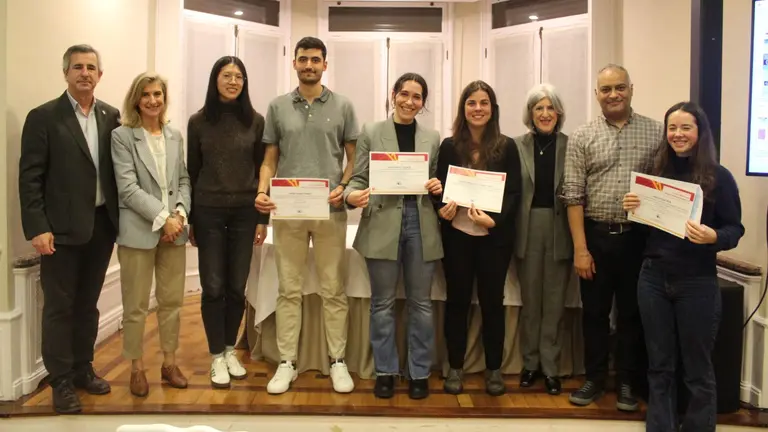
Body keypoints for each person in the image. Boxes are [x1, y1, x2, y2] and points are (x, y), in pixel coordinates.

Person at [623, 102, 744, 432]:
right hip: (653, 279)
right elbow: (646, 230)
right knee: (659, 367)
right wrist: (634, 209)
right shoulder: (655, 173)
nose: (677, 134)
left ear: (700, 132)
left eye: (685, 128)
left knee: (697, 369)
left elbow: (735, 229)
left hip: (697, 282)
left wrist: (712, 236)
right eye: (672, 128)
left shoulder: (719, 177)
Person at [18, 44, 120, 414]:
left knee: (87, 306)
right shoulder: (43, 117)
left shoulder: (111, 116)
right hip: (58, 233)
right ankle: (60, 380)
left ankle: (82, 368)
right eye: (77, 67)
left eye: (91, 67)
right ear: (65, 73)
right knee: (59, 308)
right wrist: (37, 227)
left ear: (99, 74)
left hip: (101, 227)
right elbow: (30, 178)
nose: (84, 73)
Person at [255, 37, 359, 395]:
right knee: (289, 289)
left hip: (329, 209)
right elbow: (270, 159)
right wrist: (262, 192)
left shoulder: (343, 106)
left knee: (333, 289)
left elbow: (354, 157)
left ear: (325, 65)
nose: (309, 65)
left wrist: (343, 186)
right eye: (303, 59)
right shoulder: (278, 106)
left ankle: (338, 361)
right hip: (288, 211)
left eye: (316, 59)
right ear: (295, 64)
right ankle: (287, 362)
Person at [561, 64, 663, 411]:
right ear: (597, 94)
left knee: (633, 314)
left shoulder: (656, 132)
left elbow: (666, 190)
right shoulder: (582, 135)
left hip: (639, 238)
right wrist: (580, 249)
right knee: (594, 313)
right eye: (606, 89)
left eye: (619, 87)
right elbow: (573, 194)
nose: (613, 95)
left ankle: (626, 382)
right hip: (595, 236)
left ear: (631, 89)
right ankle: (594, 378)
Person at [345, 73, 443, 400]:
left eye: (417, 97)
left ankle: (419, 372)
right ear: (393, 95)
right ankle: (385, 371)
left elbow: (436, 183)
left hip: (421, 222)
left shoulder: (433, 137)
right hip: (382, 221)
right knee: (382, 303)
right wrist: (351, 196)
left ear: (423, 103)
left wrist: (437, 186)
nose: (409, 101)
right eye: (404, 94)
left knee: (421, 304)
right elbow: (358, 179)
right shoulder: (372, 132)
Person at [187, 56, 268, 389]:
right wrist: (191, 218)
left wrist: (262, 218)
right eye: (226, 75)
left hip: (245, 213)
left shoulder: (257, 121)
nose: (233, 81)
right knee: (213, 286)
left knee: (237, 286)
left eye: (239, 76)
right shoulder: (198, 122)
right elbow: (191, 172)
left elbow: (264, 170)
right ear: (214, 79)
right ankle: (215, 356)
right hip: (208, 211)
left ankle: (230, 349)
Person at [438, 80, 522, 396]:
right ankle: (455, 368)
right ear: (463, 109)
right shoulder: (448, 146)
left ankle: (494, 370)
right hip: (457, 237)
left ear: (492, 109)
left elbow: (514, 193)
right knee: (457, 302)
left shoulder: (506, 146)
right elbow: (439, 189)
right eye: (471, 103)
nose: (477, 108)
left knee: (492, 304)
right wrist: (441, 209)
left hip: (492, 239)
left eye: (483, 103)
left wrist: (495, 220)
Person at [111, 72, 191, 397]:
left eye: (158, 94)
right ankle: (136, 367)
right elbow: (127, 188)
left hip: (175, 233)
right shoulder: (122, 136)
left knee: (171, 302)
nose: (153, 100)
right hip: (139, 232)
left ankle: (169, 363)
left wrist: (181, 213)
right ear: (136, 99)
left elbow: (183, 179)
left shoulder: (175, 136)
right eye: (146, 94)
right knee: (135, 305)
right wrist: (163, 219)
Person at [513, 84, 572, 395]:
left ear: (558, 113)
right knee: (531, 301)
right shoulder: (516, 146)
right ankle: (530, 364)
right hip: (527, 227)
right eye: (539, 108)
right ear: (530, 114)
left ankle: (551, 367)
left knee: (554, 302)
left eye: (550, 108)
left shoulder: (572, 145)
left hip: (560, 228)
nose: (545, 114)